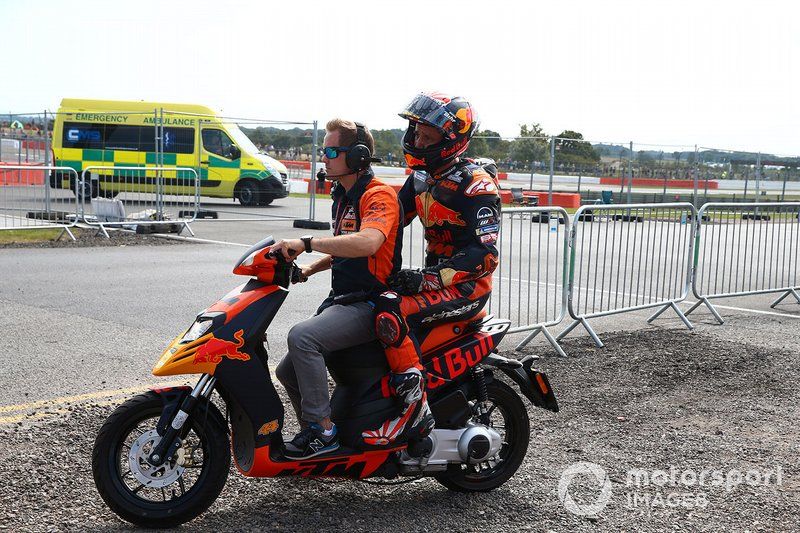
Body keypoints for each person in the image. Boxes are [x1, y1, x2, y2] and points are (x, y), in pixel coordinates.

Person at [366, 92, 501, 446]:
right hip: (434, 283)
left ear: (452, 139)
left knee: (389, 311)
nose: (418, 140)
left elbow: (484, 256)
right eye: (416, 132)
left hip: (468, 287)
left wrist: (427, 279)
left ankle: (413, 415)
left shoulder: (475, 185)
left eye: (428, 136)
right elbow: (391, 224)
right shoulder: (422, 178)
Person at [271, 118, 402, 459]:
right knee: (287, 370)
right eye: (322, 150)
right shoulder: (343, 195)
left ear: (358, 156)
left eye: (330, 151)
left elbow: (368, 242)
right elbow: (345, 244)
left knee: (303, 337)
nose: (324, 158)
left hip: (372, 303)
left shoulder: (378, 196)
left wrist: (307, 242)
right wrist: (311, 268)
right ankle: (315, 437)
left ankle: (323, 433)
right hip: (343, 300)